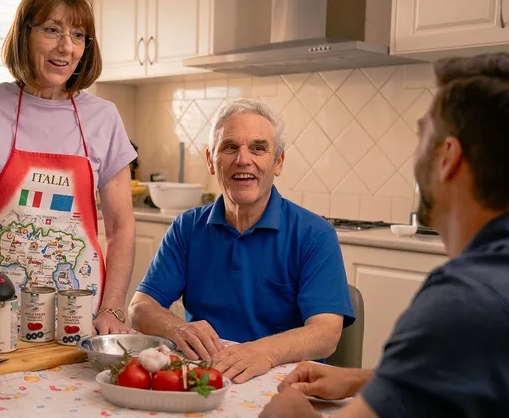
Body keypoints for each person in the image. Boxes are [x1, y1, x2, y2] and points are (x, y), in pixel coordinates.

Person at [260, 53, 509, 418]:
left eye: (422, 134)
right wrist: (365, 380)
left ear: (448, 158)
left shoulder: (467, 301)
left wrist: (289, 413)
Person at [0, 0, 138, 343]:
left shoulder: (104, 118)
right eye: (52, 30)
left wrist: (113, 307)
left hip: (77, 308)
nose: (66, 47)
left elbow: (121, 227)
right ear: (24, 34)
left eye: (78, 35)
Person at [128, 99, 355, 384]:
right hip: (204, 380)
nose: (242, 159)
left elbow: (326, 333)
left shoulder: (314, 234)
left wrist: (264, 353)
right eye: (230, 147)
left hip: (283, 385)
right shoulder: (187, 228)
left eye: (258, 148)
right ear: (211, 160)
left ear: (278, 162)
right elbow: (140, 308)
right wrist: (178, 330)